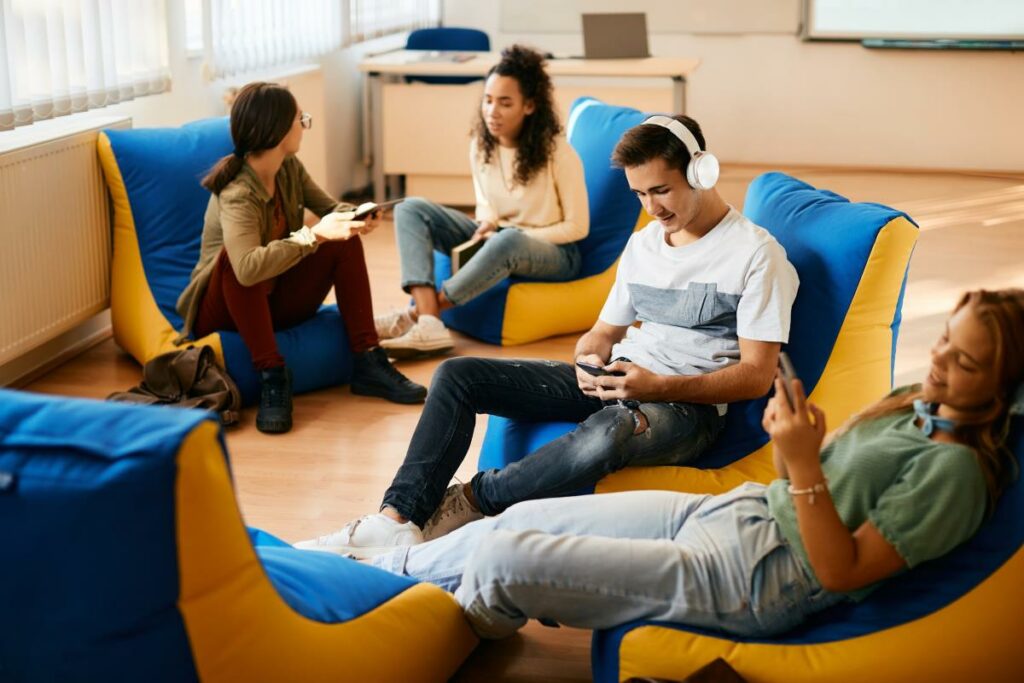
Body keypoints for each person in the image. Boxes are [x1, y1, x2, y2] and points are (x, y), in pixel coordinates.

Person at [364, 288, 1024, 640]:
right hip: (737, 513)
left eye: (964, 362)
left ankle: (421, 612)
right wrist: (802, 443)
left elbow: (840, 568)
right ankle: (373, 568)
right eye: (944, 339)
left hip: (757, 574)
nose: (938, 360)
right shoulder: (917, 399)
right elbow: (831, 475)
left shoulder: (956, 472)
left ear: (1005, 388)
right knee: (526, 515)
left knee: (504, 561)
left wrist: (800, 463)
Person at [296, 112, 800, 555]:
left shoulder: (756, 255)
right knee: (457, 374)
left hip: (682, 409)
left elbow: (756, 377)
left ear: (700, 171)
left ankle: (472, 501)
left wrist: (658, 386)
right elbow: (602, 333)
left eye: (661, 190)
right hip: (618, 381)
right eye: (640, 194)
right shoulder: (645, 245)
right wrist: (589, 360)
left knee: (612, 430)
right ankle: (396, 521)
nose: (652, 208)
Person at [176, 82, 426, 435]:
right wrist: (315, 234)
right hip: (223, 310)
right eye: (300, 119)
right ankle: (272, 377)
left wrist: (356, 215)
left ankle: (369, 359)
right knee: (238, 260)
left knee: (343, 240)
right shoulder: (237, 193)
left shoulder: (289, 168)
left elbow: (329, 209)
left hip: (273, 297)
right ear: (279, 130)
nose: (304, 126)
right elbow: (247, 269)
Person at [373, 44, 590, 357]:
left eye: (504, 103)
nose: (492, 111)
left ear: (529, 106)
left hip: (556, 253)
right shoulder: (481, 144)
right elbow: (485, 200)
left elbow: (577, 227)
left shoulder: (558, 153)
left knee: (509, 239)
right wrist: (488, 221)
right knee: (410, 208)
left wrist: (508, 235)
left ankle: (417, 316)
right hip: (499, 239)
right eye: (488, 101)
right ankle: (430, 323)